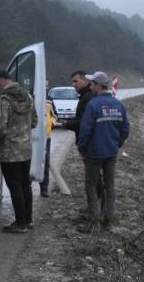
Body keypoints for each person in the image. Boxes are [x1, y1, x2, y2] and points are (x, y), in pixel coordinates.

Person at [76, 71, 130, 232]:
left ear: (99, 86)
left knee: (91, 186)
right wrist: (116, 144)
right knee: (110, 186)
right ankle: (108, 221)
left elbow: (85, 129)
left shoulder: (93, 104)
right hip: (111, 152)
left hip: (94, 153)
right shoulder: (118, 104)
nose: (90, 86)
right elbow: (125, 129)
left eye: (92, 84)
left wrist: (81, 147)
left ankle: (94, 224)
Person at [0, 70, 38, 233]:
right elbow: (34, 121)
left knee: (15, 186)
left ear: (0, 81)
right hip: (25, 149)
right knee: (25, 185)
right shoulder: (28, 96)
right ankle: (28, 220)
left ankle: (20, 223)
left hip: (9, 152)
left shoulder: (4, 100)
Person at [61, 70, 104, 219]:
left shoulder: (87, 98)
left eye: (75, 81)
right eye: (72, 81)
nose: (73, 85)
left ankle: (96, 212)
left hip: (90, 145)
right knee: (96, 179)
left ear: (86, 81)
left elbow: (84, 123)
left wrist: (66, 124)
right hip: (92, 144)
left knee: (93, 181)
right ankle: (97, 209)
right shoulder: (86, 96)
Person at [41, 95, 59, 197]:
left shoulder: (49, 99)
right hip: (29, 136)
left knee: (45, 162)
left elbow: (55, 115)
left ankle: (44, 188)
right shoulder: (27, 95)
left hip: (46, 136)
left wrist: (51, 124)